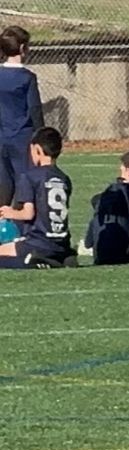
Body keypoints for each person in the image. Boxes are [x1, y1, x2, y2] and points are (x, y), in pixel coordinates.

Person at [0, 127, 73, 269]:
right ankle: (63, 258)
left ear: (37, 149)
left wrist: (9, 213)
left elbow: (28, 213)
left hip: (38, 242)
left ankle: (39, 261)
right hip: (61, 243)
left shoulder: (29, 176)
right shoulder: (64, 178)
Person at [0, 26, 43, 206]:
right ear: (23, 49)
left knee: (3, 184)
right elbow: (34, 109)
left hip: (1, 137)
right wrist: (41, 135)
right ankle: (19, 225)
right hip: (23, 138)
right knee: (24, 183)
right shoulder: (27, 77)